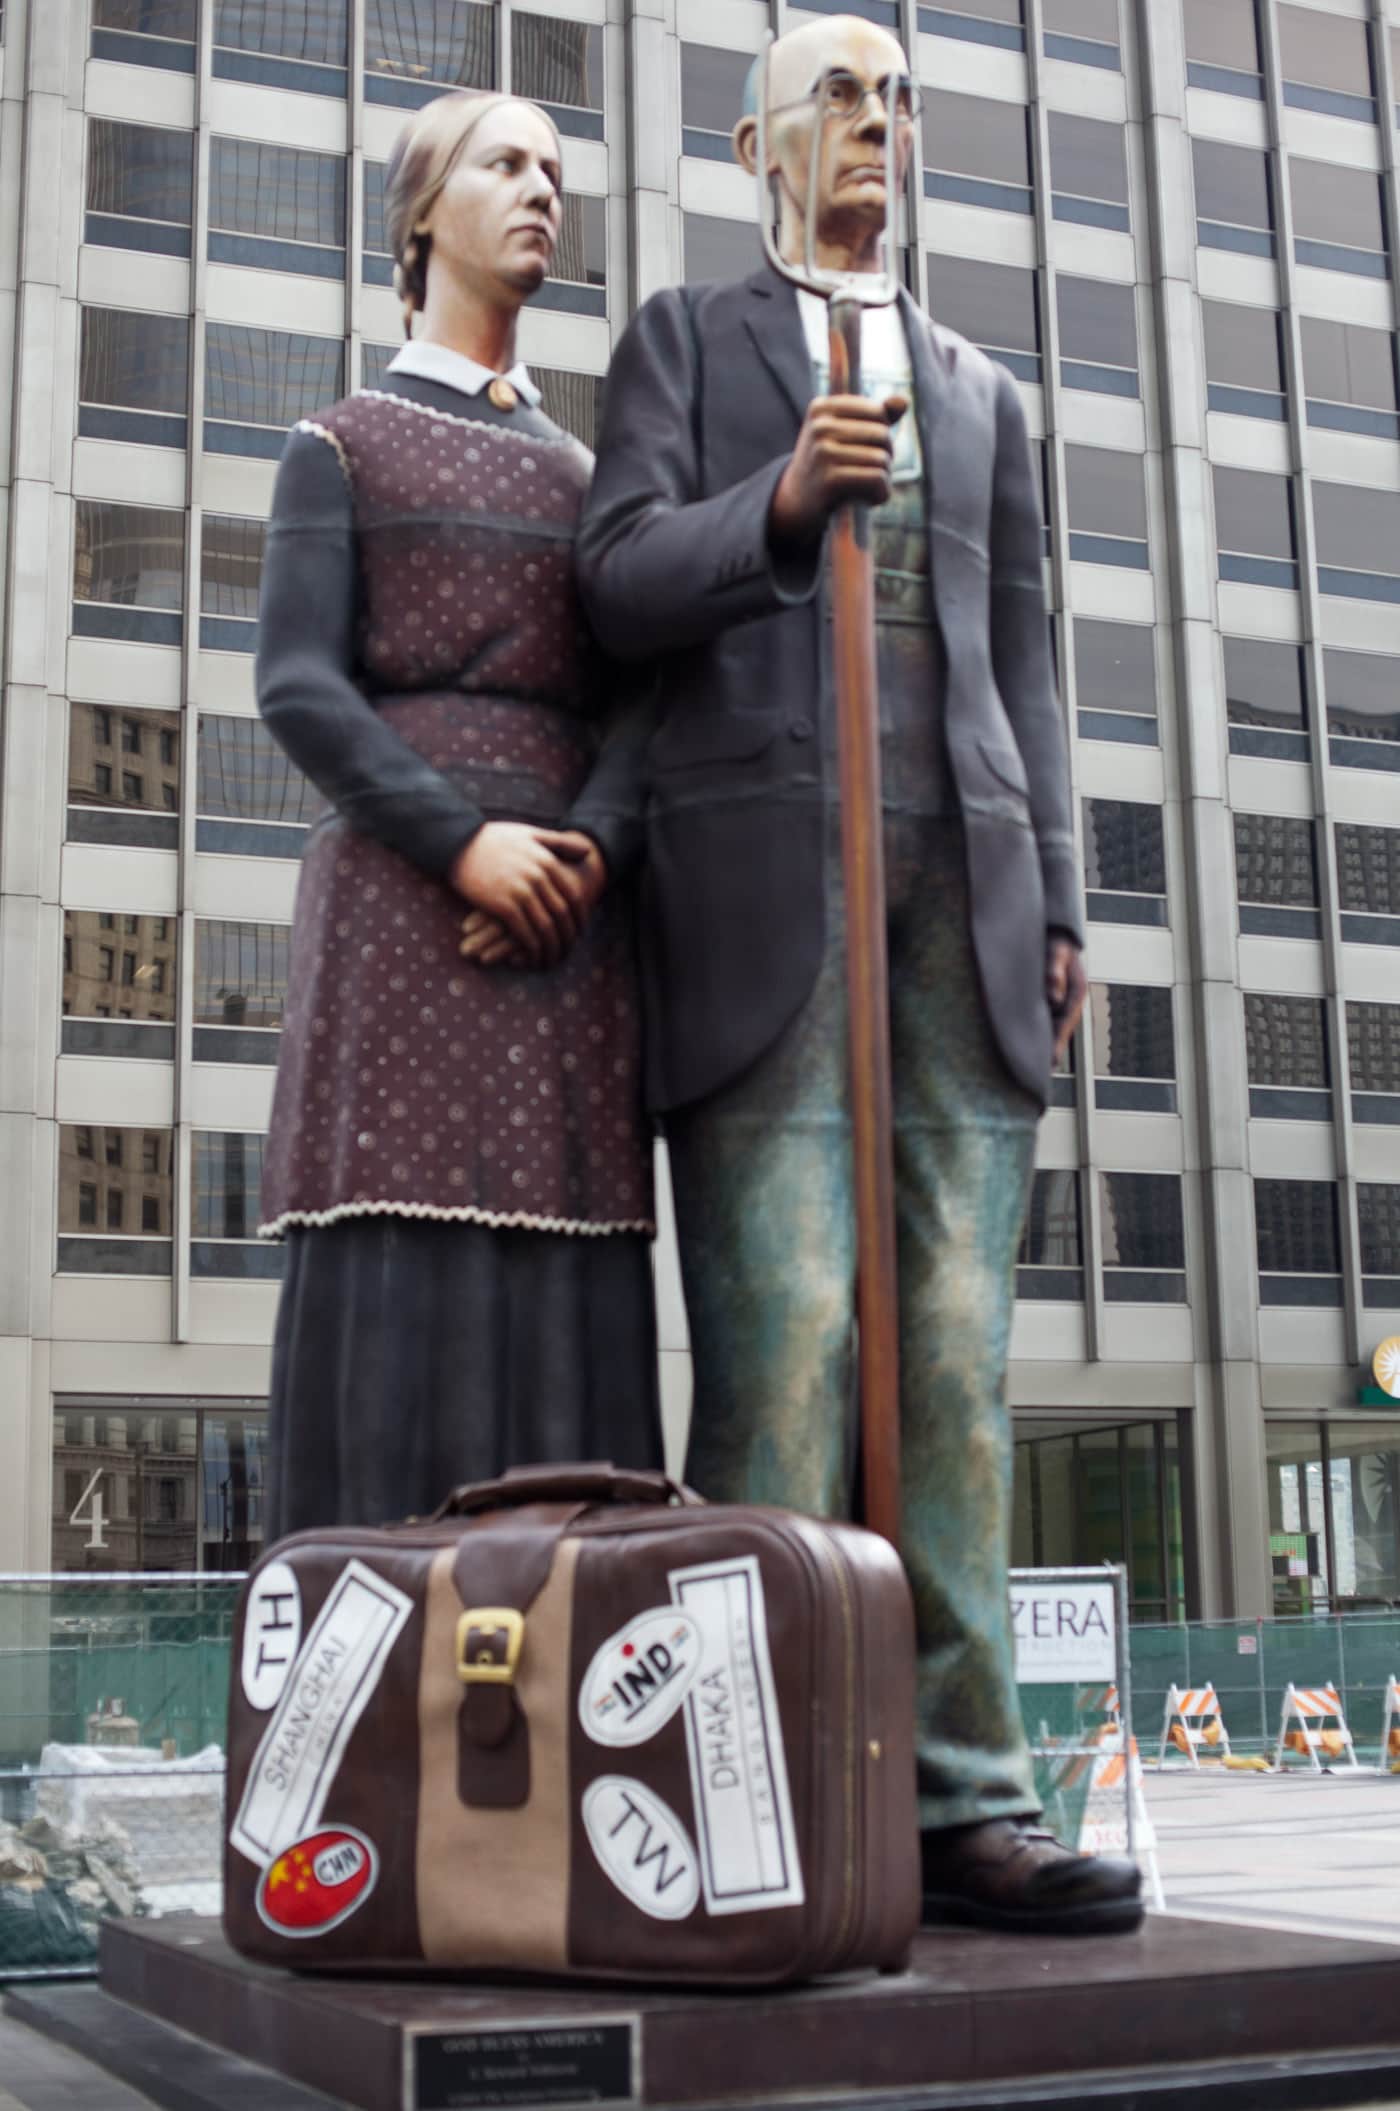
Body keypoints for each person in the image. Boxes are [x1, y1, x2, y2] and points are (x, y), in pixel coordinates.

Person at [575, 16, 1142, 1933]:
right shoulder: (684, 341)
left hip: (959, 895)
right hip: (759, 890)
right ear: (758, 143)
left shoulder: (985, 389)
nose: (873, 124)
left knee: (959, 1370)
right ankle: (759, 1781)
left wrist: (1058, 898)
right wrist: (785, 507)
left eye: (897, 98)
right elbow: (618, 580)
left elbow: (1031, 664)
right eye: (836, 94)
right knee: (792, 1340)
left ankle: (971, 1800)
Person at [255, 87, 662, 1540]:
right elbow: (298, 687)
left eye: (557, 167)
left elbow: (640, 709)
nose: (543, 188)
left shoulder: (596, 480)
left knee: (573, 1301)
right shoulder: (338, 444)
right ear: (423, 214)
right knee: (392, 1293)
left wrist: (590, 851)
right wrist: (464, 847)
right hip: (401, 929)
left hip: (569, 940)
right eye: (506, 163)